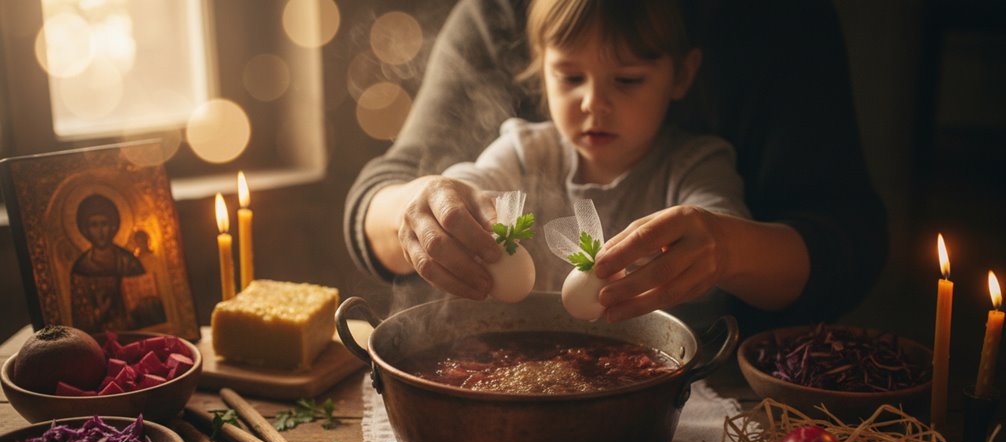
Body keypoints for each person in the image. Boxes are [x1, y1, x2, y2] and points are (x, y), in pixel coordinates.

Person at [345, 0, 888, 333]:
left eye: (627, 81)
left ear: (682, 76)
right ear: (540, 70)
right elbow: (468, 185)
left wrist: (722, 246)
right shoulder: (523, 149)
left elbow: (726, 220)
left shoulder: (696, 161)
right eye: (568, 78)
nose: (593, 105)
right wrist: (440, 205)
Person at [70, 193, 165, 331]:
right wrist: (100, 312)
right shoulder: (81, 269)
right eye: (94, 225)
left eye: (104, 224)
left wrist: (146, 304)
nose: (100, 231)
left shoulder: (129, 262)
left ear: (113, 227)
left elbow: (152, 311)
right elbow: (79, 325)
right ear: (85, 230)